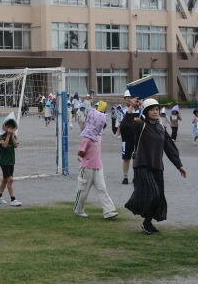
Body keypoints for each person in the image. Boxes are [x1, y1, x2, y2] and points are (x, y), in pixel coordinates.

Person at [125, 98, 187, 234]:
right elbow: (125, 126)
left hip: (157, 167)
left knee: (158, 196)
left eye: (157, 109)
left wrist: (179, 165)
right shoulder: (140, 125)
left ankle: (147, 223)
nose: (155, 112)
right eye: (152, 109)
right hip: (142, 166)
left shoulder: (161, 128)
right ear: (146, 112)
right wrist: (131, 107)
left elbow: (169, 148)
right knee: (153, 192)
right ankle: (137, 207)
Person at [73, 108, 118, 219]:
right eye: (101, 122)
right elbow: (81, 151)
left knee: (102, 188)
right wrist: (81, 159)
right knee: (83, 190)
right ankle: (78, 209)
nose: (102, 125)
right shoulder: (87, 137)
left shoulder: (99, 136)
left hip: (98, 167)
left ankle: (108, 211)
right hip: (87, 168)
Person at [0, 115, 22, 207]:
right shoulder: (0, 136)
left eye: (12, 127)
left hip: (11, 160)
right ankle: (13, 199)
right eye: (8, 126)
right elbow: (5, 145)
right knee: (10, 179)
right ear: (5, 126)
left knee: (5, 179)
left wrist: (12, 136)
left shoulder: (14, 136)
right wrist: (8, 135)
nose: (10, 128)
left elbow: (16, 145)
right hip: (4, 161)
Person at [119, 91, 141, 185]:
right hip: (126, 138)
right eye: (127, 97)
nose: (129, 99)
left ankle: (136, 176)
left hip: (137, 137)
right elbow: (121, 124)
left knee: (136, 158)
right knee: (126, 158)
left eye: (131, 97)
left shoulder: (140, 110)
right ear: (124, 99)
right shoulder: (122, 111)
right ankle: (125, 177)